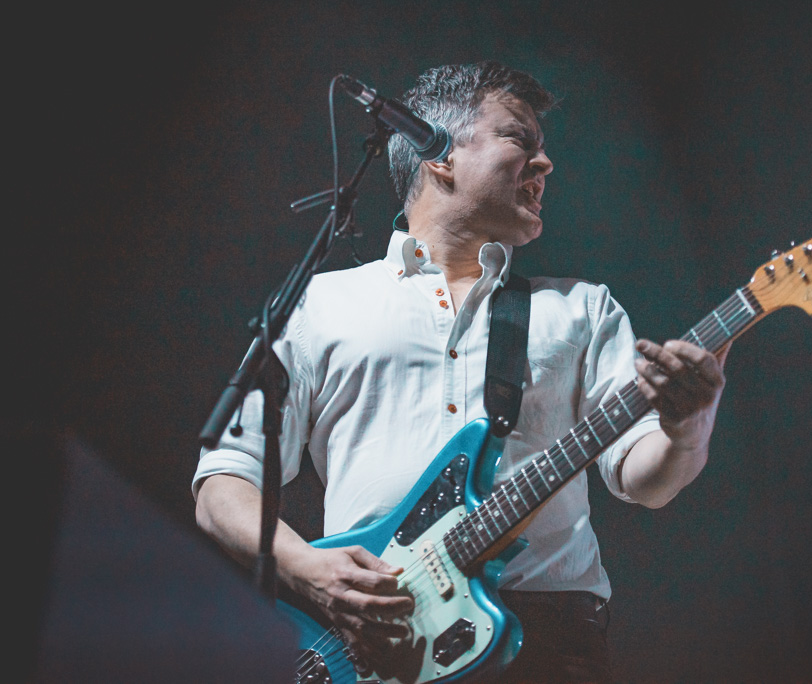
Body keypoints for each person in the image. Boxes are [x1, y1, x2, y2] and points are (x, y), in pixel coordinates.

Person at [193, 61, 728, 684]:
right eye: (520, 139)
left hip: (544, 642)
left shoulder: (581, 309)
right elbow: (224, 483)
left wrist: (687, 429)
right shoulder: (320, 305)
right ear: (441, 156)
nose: (546, 164)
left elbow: (646, 482)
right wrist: (307, 570)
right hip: (371, 641)